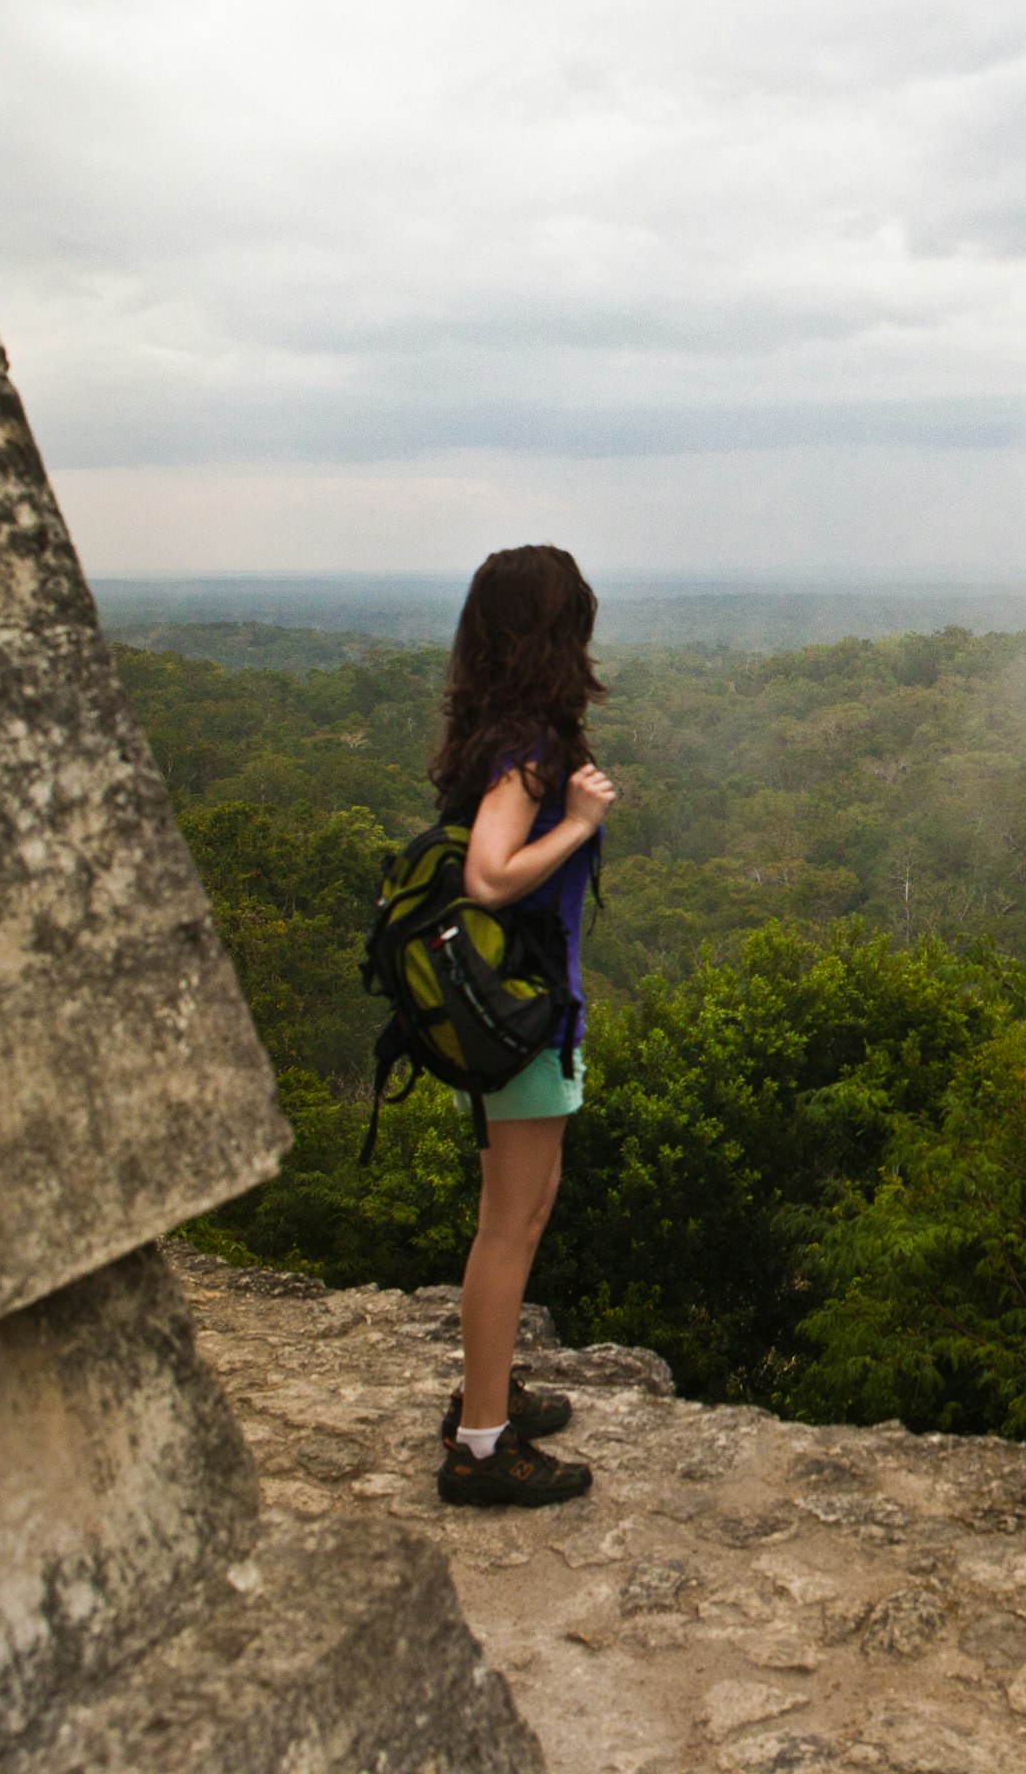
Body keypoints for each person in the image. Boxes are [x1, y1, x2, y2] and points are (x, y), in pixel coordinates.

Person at [428, 545, 613, 1506]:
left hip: (521, 1008)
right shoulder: (531, 749)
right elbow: (490, 875)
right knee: (512, 1223)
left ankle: (486, 1396)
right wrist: (577, 821)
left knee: (519, 1214)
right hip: (526, 1016)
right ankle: (480, 1447)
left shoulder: (499, 735)